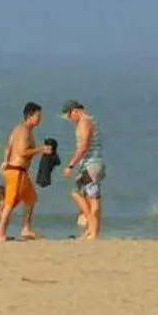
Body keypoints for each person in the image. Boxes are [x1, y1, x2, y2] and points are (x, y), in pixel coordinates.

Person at [0, 103, 52, 242]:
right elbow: (22, 152)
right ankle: (0, 233)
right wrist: (41, 150)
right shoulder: (24, 130)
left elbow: (8, 146)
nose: (40, 119)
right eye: (37, 116)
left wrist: (5, 162)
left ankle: (26, 228)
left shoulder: (21, 129)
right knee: (10, 202)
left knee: (31, 198)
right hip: (16, 170)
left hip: (18, 170)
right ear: (29, 116)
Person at [62, 102, 105, 240]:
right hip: (90, 165)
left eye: (69, 116)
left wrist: (70, 165)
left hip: (90, 165)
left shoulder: (85, 122)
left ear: (74, 111)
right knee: (83, 195)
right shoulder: (88, 121)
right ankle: (91, 229)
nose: (70, 120)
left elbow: (84, 146)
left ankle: (93, 230)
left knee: (91, 198)